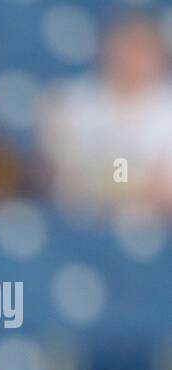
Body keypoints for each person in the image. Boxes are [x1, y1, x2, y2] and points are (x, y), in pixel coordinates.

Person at [37, 14, 172, 217]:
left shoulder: (166, 109)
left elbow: (164, 191)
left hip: (149, 230)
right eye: (126, 46)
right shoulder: (68, 102)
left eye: (142, 48)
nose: (132, 58)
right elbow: (55, 175)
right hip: (74, 226)